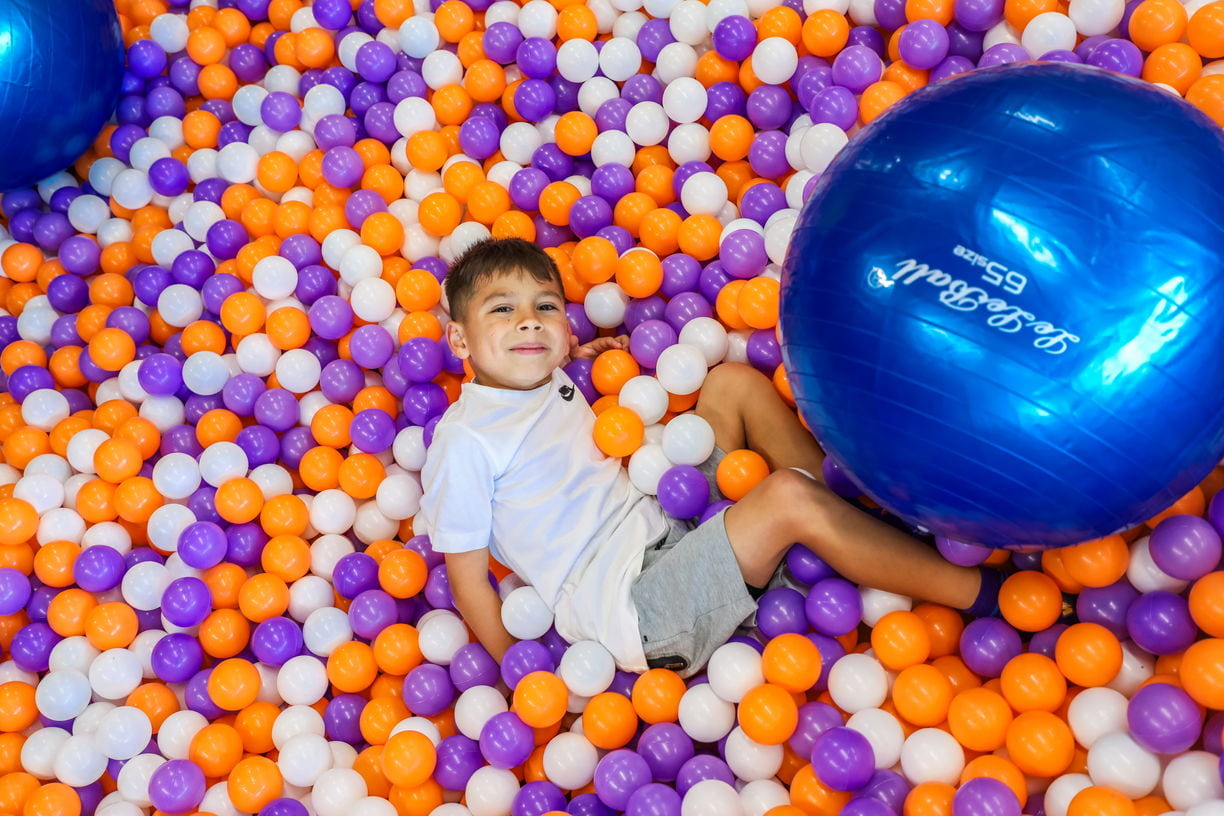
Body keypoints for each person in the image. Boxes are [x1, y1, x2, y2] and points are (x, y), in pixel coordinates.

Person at [414, 238, 1000, 677]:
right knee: (786, 500)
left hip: (667, 519)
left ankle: (862, 522)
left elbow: (538, 375)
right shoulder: (466, 442)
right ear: (459, 342)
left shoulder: (542, 378)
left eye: (545, 308)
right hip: (636, 605)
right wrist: (521, 684)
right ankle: (981, 593)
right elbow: (468, 583)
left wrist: (574, 353)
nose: (527, 321)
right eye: (501, 311)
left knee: (732, 383)